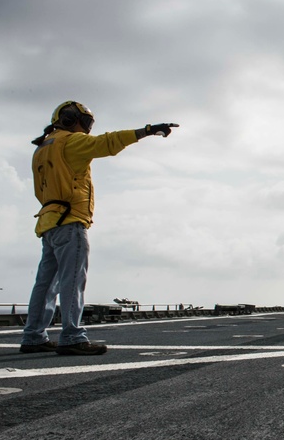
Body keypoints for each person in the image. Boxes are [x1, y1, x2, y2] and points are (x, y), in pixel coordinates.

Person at [19, 102, 178, 356]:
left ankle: (33, 336)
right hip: (70, 222)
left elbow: (41, 190)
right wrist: (146, 131)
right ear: (70, 119)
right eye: (85, 122)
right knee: (72, 280)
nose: (88, 129)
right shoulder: (70, 142)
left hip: (48, 222)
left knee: (45, 284)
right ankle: (71, 336)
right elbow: (107, 143)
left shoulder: (41, 148)